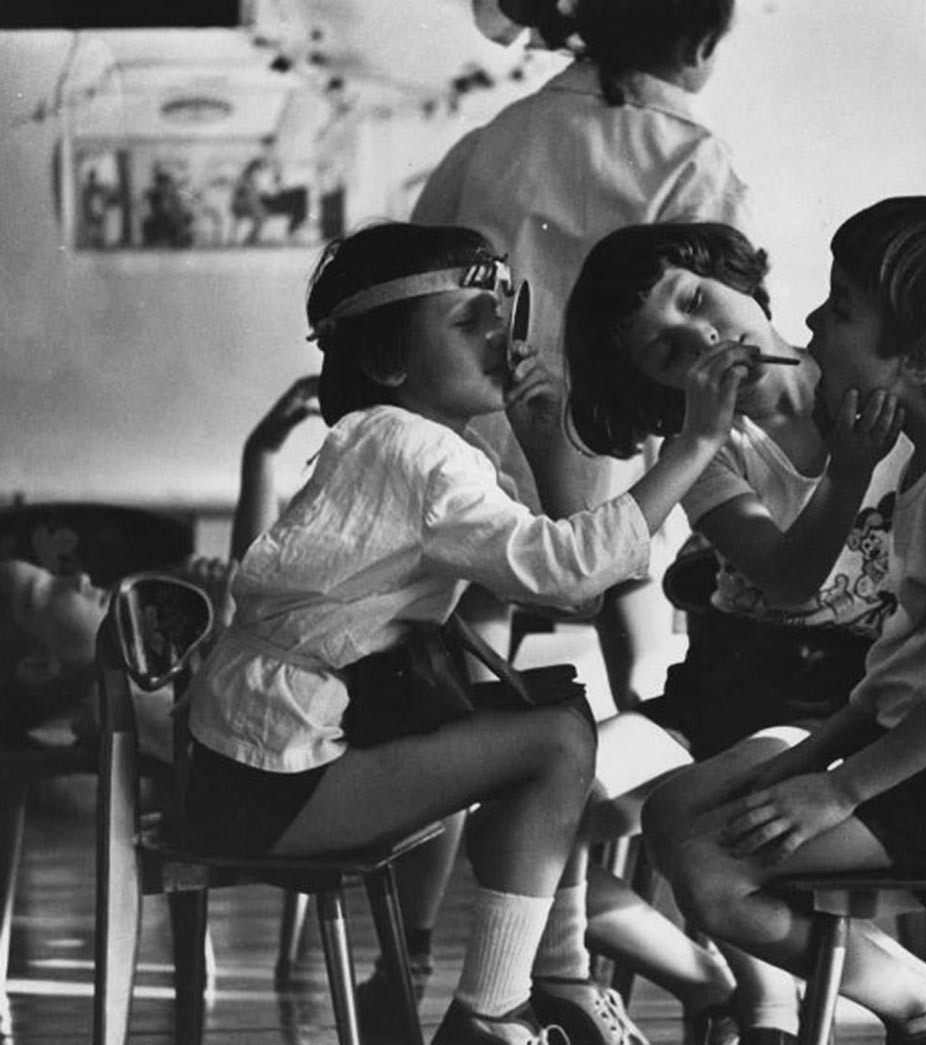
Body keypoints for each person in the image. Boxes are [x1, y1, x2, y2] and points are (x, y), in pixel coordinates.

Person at [180, 220, 756, 1045]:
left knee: (550, 723)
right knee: (557, 740)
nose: (502, 333)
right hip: (273, 779)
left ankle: (536, 988)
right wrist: (695, 441)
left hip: (249, 767)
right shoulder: (419, 453)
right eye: (468, 319)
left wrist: (536, 438)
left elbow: (575, 580)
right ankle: (497, 1007)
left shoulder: (398, 442)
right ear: (388, 361)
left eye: (501, 309)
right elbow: (568, 570)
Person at [637, 196, 926, 1045]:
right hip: (914, 760)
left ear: (916, 360)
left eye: (839, 310)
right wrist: (809, 756)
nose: (810, 322)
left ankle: (925, 1002)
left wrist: (834, 787)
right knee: (672, 810)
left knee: (708, 866)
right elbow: (906, 672)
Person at [559, 220, 907, 1045]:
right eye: (671, 353)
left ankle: (766, 1007)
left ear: (739, 278)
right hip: (720, 693)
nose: (705, 335)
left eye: (696, 299)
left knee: (722, 821)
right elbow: (789, 580)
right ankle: (709, 980)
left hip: (843, 706)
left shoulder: (862, 368)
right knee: (535, 813)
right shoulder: (707, 453)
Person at [413, 0, 751, 711]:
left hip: (493, 432)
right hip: (619, 444)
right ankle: (630, 772)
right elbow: (726, 306)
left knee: (479, 630)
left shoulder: (499, 136)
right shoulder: (691, 153)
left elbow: (421, 262)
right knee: (642, 660)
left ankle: (479, 772)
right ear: (700, 44)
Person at [0, 375, 323, 760]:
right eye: (51, 590)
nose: (78, 577)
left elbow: (255, 581)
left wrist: (260, 454)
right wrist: (226, 624)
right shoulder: (118, 711)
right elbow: (246, 749)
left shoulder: (134, 678)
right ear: (39, 665)